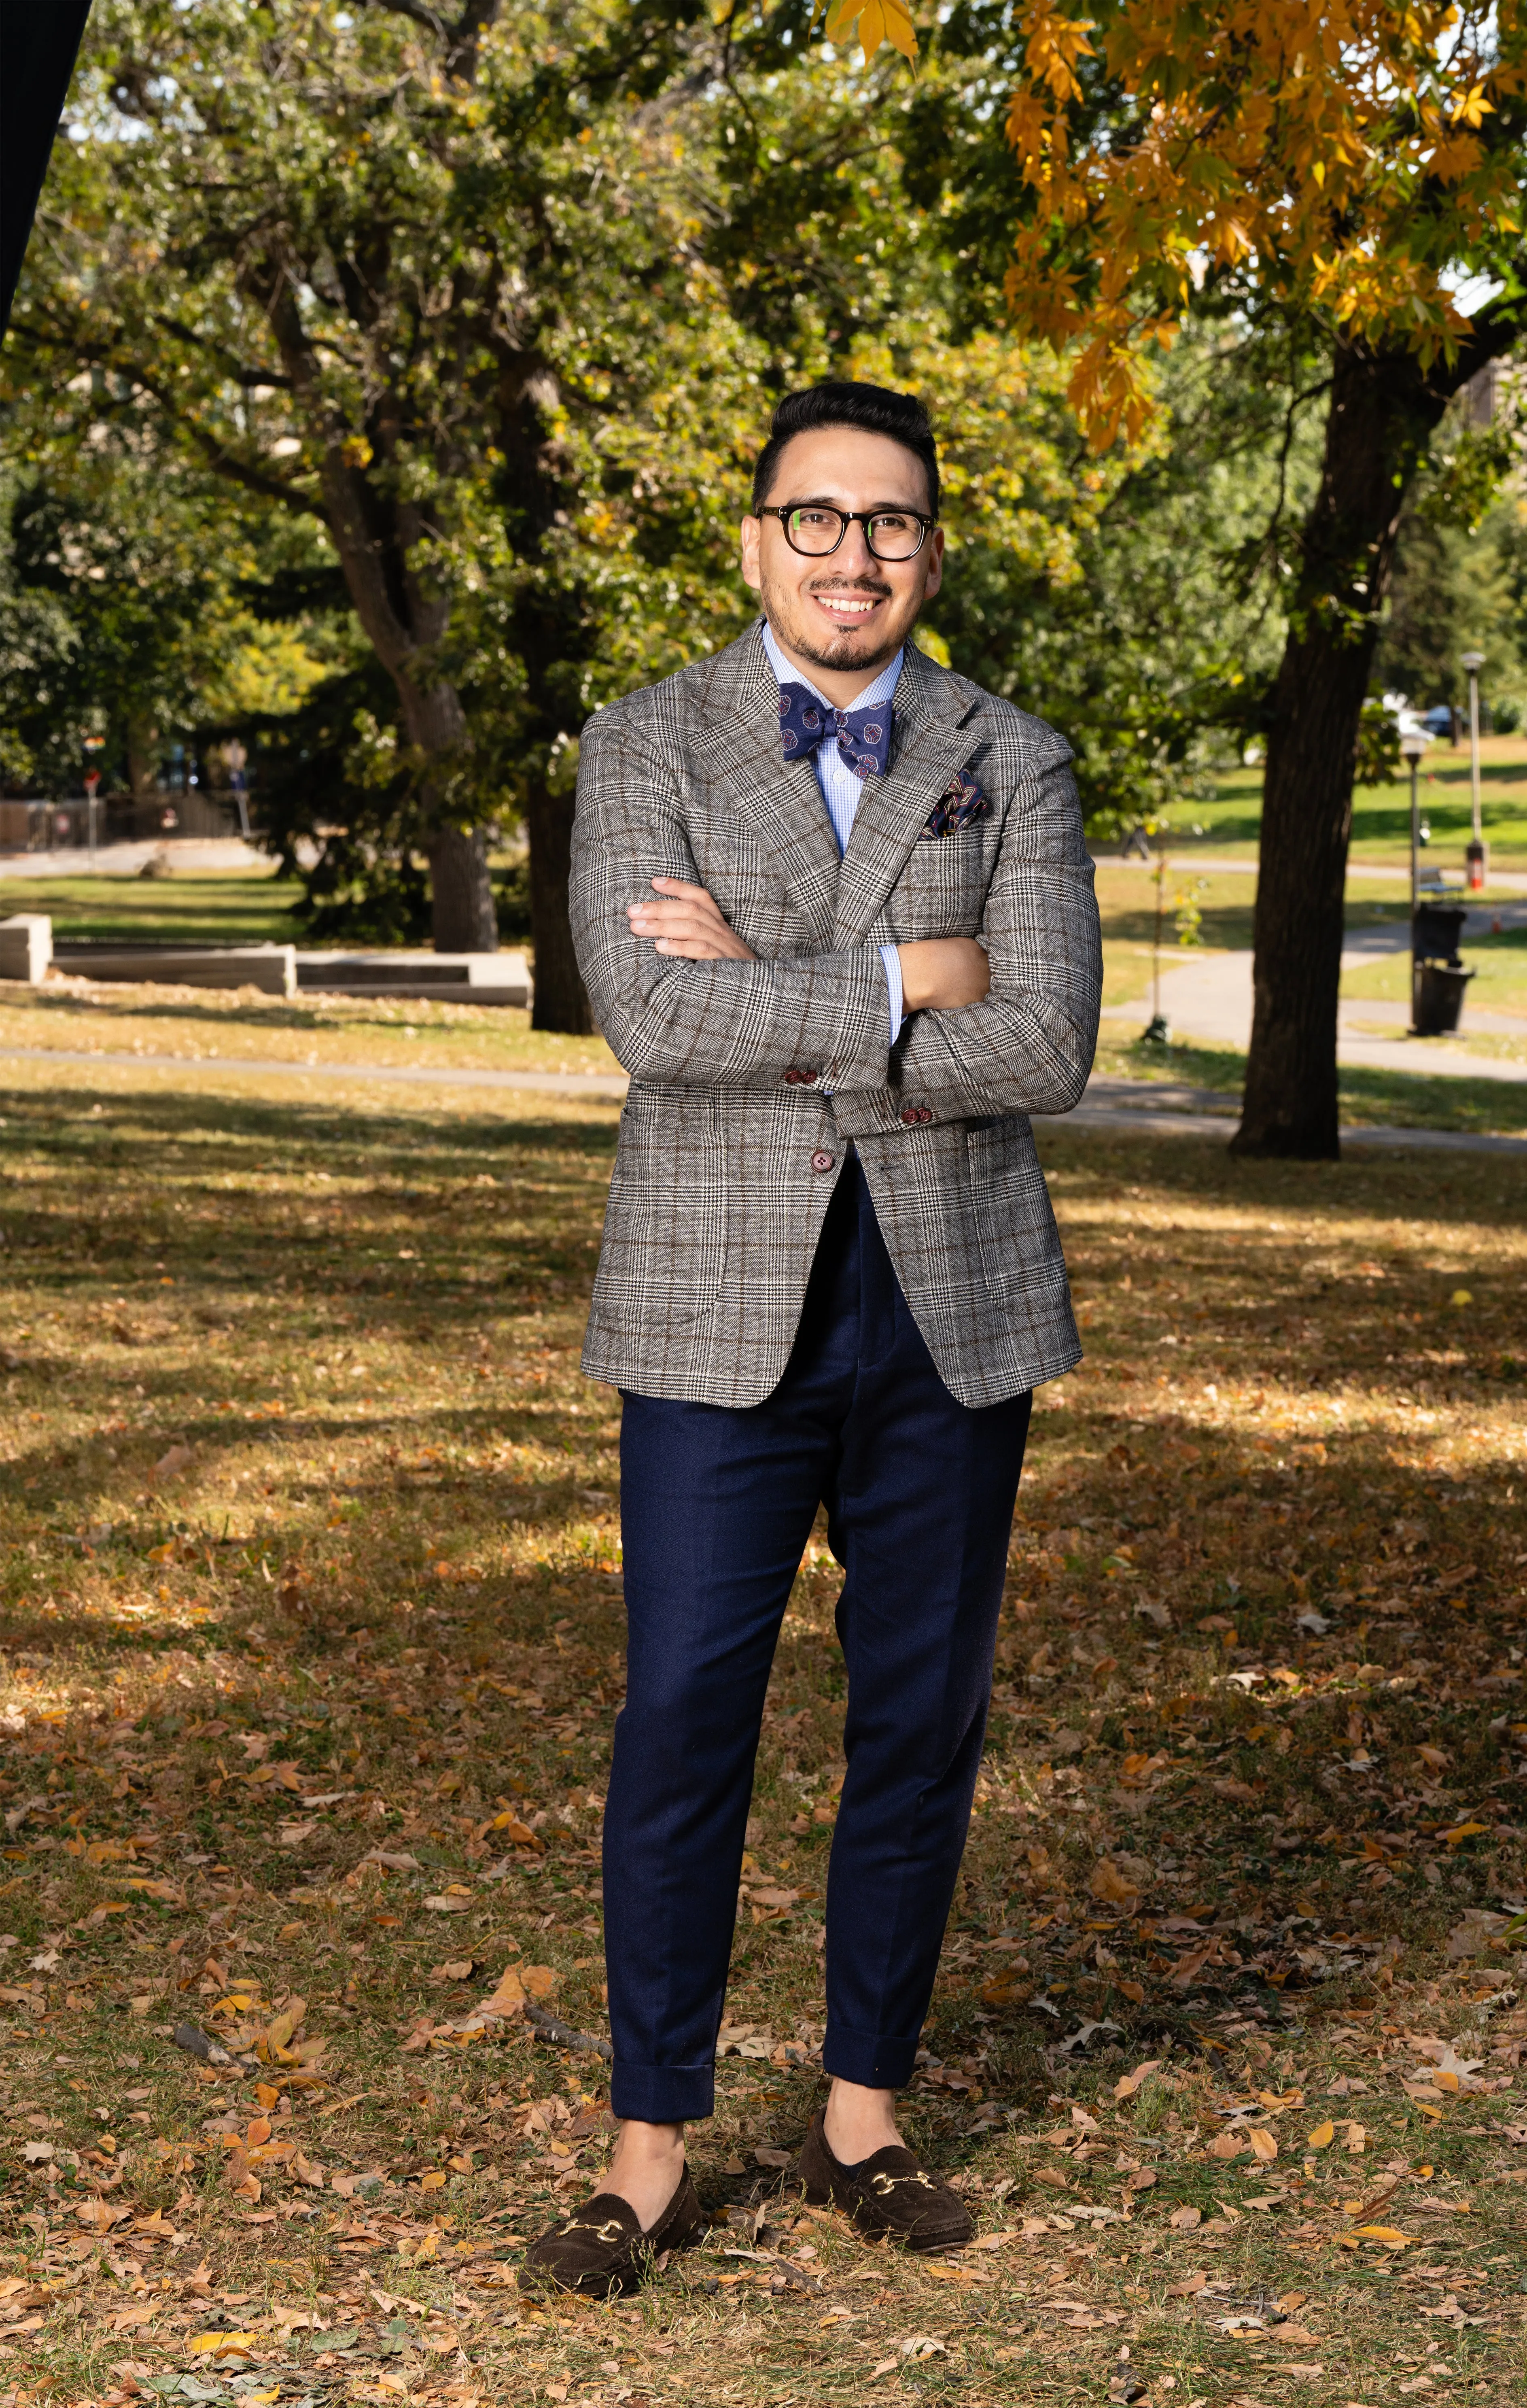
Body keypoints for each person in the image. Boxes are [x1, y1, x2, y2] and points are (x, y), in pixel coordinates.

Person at [520, 380, 1102, 2300]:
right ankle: (648, 2149)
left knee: (914, 1722)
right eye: (818, 517)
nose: (855, 553)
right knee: (685, 1709)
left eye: (894, 523)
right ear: (755, 536)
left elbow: (1048, 1045)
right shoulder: (645, 740)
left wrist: (782, 988)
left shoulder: (1010, 754)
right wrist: (913, 976)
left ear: (932, 550)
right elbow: (648, 1023)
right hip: (711, 1304)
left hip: (951, 1306)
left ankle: (864, 2115)